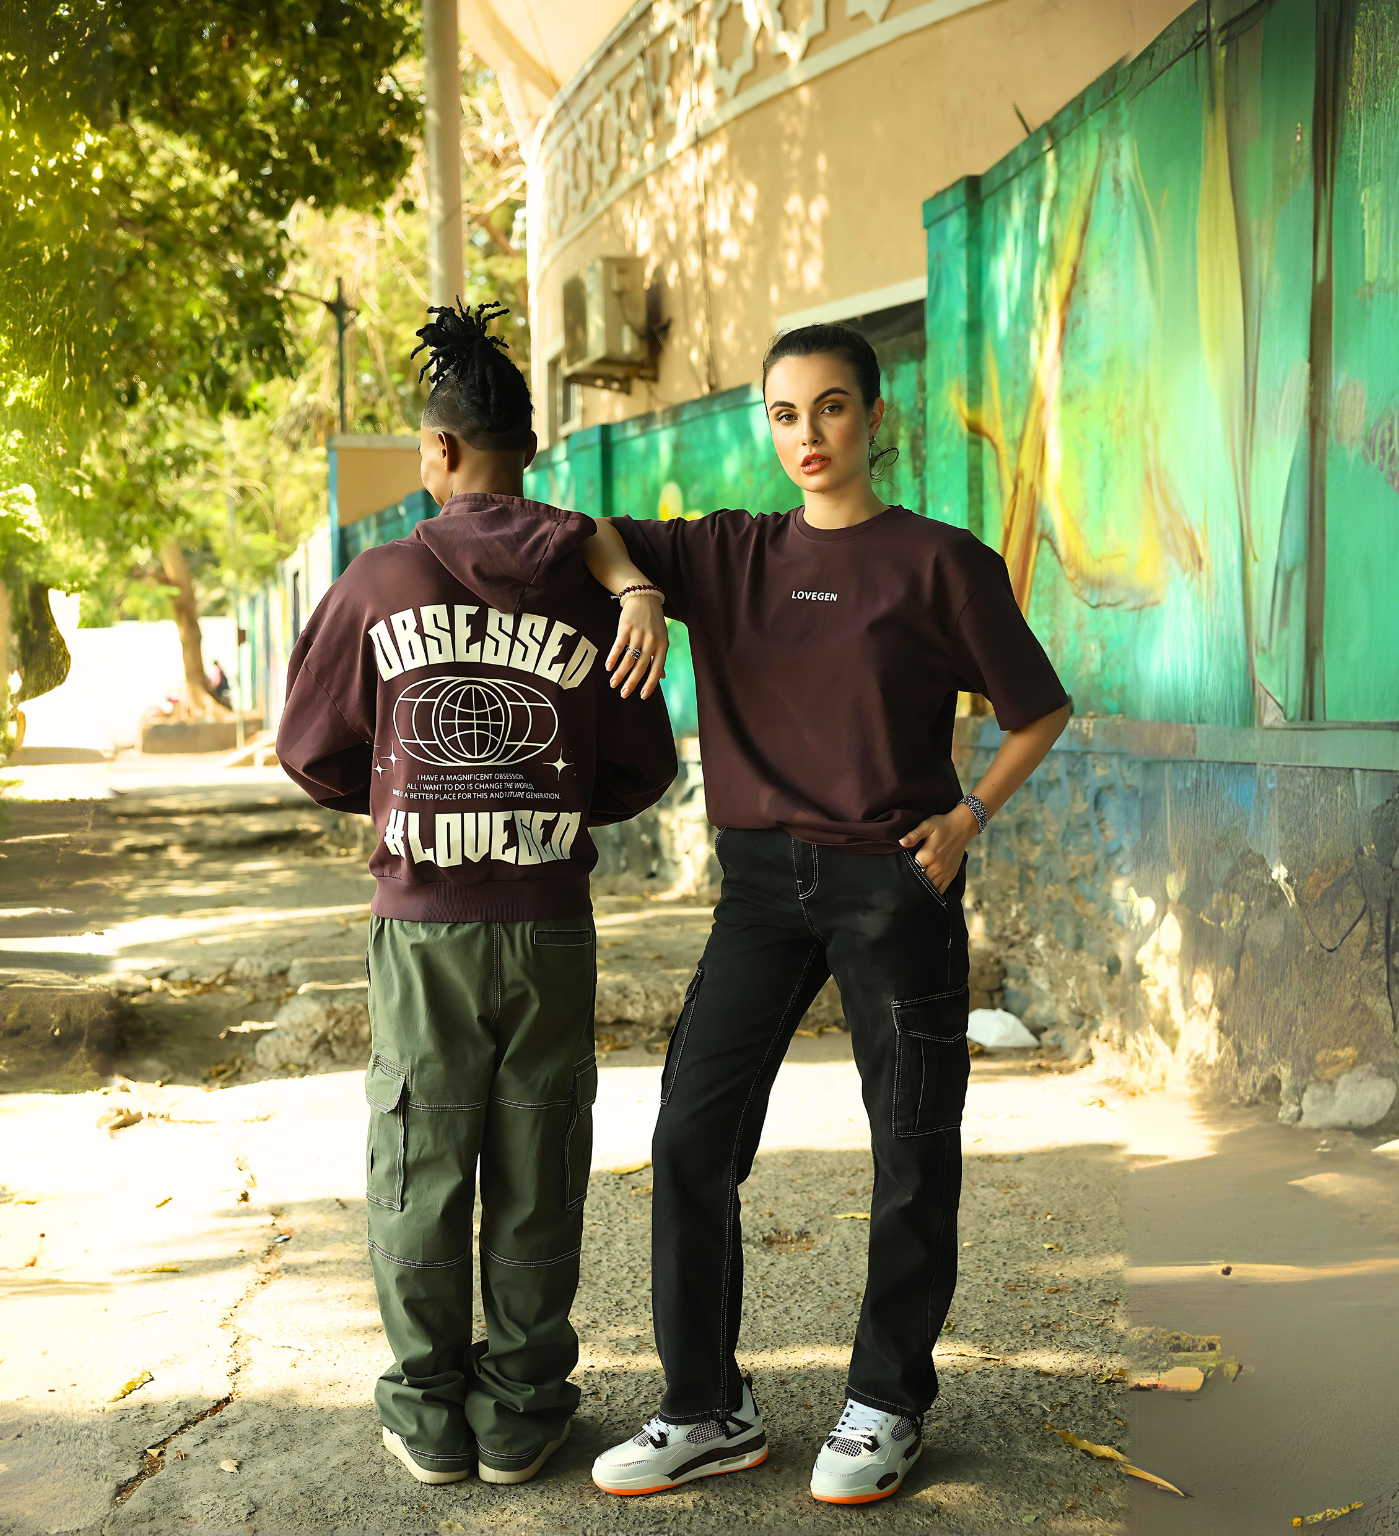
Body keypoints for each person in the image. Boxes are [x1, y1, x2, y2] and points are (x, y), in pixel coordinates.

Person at [577, 323, 1072, 1505]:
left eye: (832, 408)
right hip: (758, 888)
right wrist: (639, 589)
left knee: (909, 1146)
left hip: (891, 886)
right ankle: (705, 1407)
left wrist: (967, 817)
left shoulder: (939, 564)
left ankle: (886, 1399)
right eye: (785, 414)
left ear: (872, 416)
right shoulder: (727, 554)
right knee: (690, 1134)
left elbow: (1037, 708)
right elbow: (581, 532)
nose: (808, 435)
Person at [276, 300, 676, 1490]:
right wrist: (542, 803)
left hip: (423, 928)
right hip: (548, 921)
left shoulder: (377, 581)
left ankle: (428, 1414)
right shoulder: (591, 585)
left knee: (418, 1155)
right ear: (531, 451)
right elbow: (640, 766)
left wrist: (408, 795)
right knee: (539, 1158)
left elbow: (309, 749)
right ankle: (519, 1412)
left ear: (438, 451)